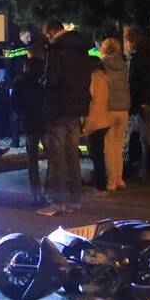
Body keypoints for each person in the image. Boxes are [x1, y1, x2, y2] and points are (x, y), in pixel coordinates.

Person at [37, 18, 91, 216]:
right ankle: (75, 201)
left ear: (51, 32)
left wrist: (43, 82)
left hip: (58, 109)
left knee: (57, 157)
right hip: (77, 109)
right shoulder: (81, 50)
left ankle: (58, 202)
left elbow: (52, 80)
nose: (46, 38)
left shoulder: (56, 51)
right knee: (72, 155)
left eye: (46, 34)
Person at [125, 25, 150, 183]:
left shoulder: (142, 56)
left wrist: (138, 102)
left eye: (128, 41)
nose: (127, 44)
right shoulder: (149, 53)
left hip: (146, 101)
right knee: (146, 137)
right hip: (149, 99)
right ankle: (146, 172)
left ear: (132, 40)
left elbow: (138, 81)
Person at [10, 49, 46, 206]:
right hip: (45, 121)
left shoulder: (20, 81)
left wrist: (22, 114)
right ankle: (49, 192)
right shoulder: (44, 80)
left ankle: (36, 194)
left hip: (30, 122)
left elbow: (15, 103)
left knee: (33, 160)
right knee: (53, 157)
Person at [100, 37, 129, 190]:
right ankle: (119, 178)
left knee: (109, 146)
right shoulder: (124, 64)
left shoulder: (103, 65)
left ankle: (111, 180)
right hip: (123, 108)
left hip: (109, 108)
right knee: (118, 146)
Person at [82, 56, 113, 194]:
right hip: (104, 119)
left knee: (96, 155)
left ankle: (101, 186)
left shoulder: (92, 79)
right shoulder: (105, 78)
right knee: (98, 154)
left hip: (94, 120)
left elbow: (88, 100)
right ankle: (101, 183)